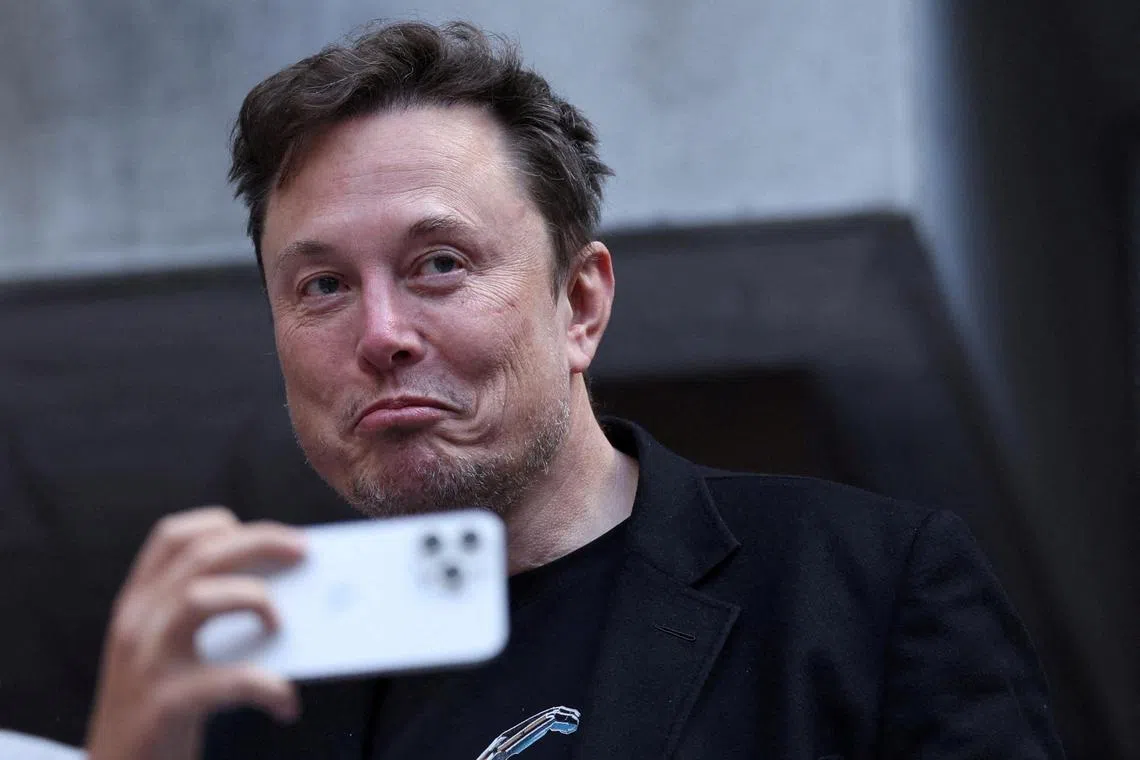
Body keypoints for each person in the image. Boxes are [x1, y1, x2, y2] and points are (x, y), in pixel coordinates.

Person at [83, 20, 1066, 760]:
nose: (380, 334)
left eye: (439, 264)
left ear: (580, 304)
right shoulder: (246, 701)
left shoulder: (862, 592)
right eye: (323, 286)